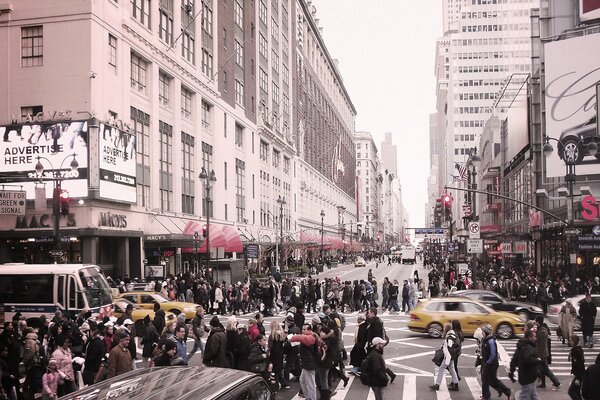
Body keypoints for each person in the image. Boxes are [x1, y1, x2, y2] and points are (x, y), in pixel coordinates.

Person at [480, 324, 512, 399]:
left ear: (486, 332)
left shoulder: (491, 341)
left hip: (491, 364)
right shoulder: (486, 339)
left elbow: (493, 354)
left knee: (485, 380)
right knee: (492, 380)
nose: (482, 332)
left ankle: (486, 397)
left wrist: (487, 363)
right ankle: (506, 391)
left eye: (483, 331)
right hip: (487, 363)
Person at [509, 330, 540, 400]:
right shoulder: (528, 347)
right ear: (530, 337)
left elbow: (513, 361)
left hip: (527, 376)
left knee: (533, 396)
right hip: (527, 376)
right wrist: (538, 360)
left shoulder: (521, 347)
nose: (536, 338)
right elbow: (528, 360)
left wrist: (511, 372)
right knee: (524, 396)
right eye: (534, 336)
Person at [289, 324, 318, 400]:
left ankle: (311, 398)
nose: (302, 331)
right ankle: (308, 397)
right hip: (306, 363)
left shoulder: (310, 338)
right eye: (302, 329)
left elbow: (300, 337)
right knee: (302, 381)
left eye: (304, 329)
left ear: (309, 330)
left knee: (310, 384)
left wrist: (291, 338)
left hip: (309, 364)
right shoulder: (310, 337)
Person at [430, 322, 459, 391]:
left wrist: (447, 360)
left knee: (441, 369)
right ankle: (456, 384)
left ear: (446, 328)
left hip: (448, 357)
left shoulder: (449, 338)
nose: (443, 328)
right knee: (452, 370)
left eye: (444, 327)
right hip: (451, 357)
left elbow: (449, 349)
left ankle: (437, 385)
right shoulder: (451, 335)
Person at [535, 315, 560, 390]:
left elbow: (542, 345)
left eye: (536, 321)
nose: (535, 323)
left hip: (542, 354)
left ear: (538, 322)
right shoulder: (540, 329)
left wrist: (540, 356)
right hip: (541, 353)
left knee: (546, 370)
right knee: (543, 370)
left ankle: (557, 383)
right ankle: (543, 383)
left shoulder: (542, 331)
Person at [569, 335, 585, 400]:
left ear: (574, 341)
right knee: (576, 392)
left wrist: (578, 377)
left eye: (571, 340)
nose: (570, 342)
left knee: (572, 391)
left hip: (579, 374)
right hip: (578, 374)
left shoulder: (576, 351)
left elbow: (580, 363)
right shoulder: (575, 349)